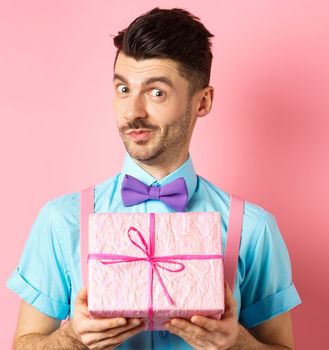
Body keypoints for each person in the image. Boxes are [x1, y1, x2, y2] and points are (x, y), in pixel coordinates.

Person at [7, 7, 300, 350]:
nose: (133, 111)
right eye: (123, 89)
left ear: (202, 102)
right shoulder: (62, 221)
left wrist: (236, 342)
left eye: (156, 92)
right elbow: (24, 344)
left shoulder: (252, 228)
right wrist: (72, 338)